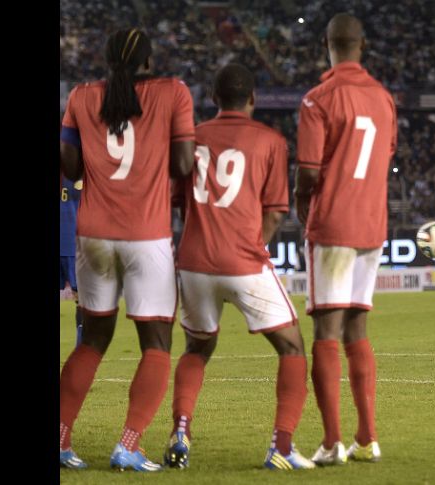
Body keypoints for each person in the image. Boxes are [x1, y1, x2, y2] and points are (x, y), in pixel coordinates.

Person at [163, 63, 315, 471]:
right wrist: (250, 246)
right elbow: (276, 209)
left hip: (193, 262)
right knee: (293, 346)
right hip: (244, 261)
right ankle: (281, 446)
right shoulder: (270, 141)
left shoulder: (192, 138)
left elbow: (177, 199)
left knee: (198, 346)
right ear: (253, 99)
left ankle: (180, 430)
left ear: (213, 98)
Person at [59, 28, 195, 471]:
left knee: (93, 339)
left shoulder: (80, 96)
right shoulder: (173, 93)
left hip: (93, 233)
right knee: (155, 342)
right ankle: (129, 444)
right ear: (150, 63)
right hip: (145, 234)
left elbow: (70, 164)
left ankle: (60, 439)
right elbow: (182, 164)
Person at [294, 12, 397, 465]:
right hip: (372, 226)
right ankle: (368, 438)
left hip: (333, 225)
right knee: (358, 327)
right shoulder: (384, 99)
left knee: (326, 331)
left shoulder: (318, 99)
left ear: (327, 45)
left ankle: (332, 442)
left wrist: (305, 212)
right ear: (364, 45)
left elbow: (308, 173)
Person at [60, 175, 83, 347]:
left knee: (82, 298)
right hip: (73, 244)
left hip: (73, 243)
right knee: (82, 298)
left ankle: (81, 349)